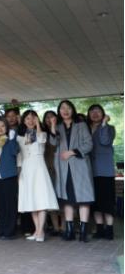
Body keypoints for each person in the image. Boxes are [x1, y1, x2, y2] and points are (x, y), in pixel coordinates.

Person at [48, 100, 94, 242]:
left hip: (80, 167)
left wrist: (72, 152)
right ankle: (69, 231)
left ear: (72, 110)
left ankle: (83, 231)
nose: (65, 110)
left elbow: (89, 144)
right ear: (59, 111)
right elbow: (53, 142)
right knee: (67, 200)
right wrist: (53, 125)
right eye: (62, 108)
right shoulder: (58, 127)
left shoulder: (81, 126)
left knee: (83, 199)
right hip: (64, 168)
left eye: (68, 108)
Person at [17, 110, 59, 242]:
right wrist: (19, 173)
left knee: (41, 199)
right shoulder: (20, 137)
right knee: (31, 200)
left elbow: (40, 140)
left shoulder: (42, 133)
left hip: (39, 168)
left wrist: (37, 125)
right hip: (26, 168)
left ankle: (40, 231)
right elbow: (20, 156)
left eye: (33, 118)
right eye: (27, 118)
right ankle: (37, 230)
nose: (30, 121)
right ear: (23, 121)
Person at [87, 104, 116, 240]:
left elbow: (105, 141)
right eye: (92, 111)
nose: (95, 114)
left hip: (105, 171)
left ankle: (109, 230)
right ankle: (99, 230)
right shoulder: (86, 128)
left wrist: (104, 124)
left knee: (107, 203)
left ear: (103, 113)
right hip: (90, 171)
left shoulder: (110, 128)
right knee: (96, 203)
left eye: (98, 111)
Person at [0, 117, 19, 239]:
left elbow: (14, 152)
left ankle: (10, 231)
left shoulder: (10, 140)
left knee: (10, 205)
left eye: (3, 126)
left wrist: (12, 139)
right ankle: (2, 229)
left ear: (7, 128)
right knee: (1, 205)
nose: (0, 128)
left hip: (9, 176)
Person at [42, 111, 62, 236]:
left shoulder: (61, 131)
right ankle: (55, 227)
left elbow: (56, 145)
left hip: (59, 168)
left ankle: (64, 227)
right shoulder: (42, 133)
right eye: (47, 117)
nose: (49, 119)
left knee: (61, 198)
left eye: (52, 117)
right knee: (51, 198)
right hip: (46, 169)